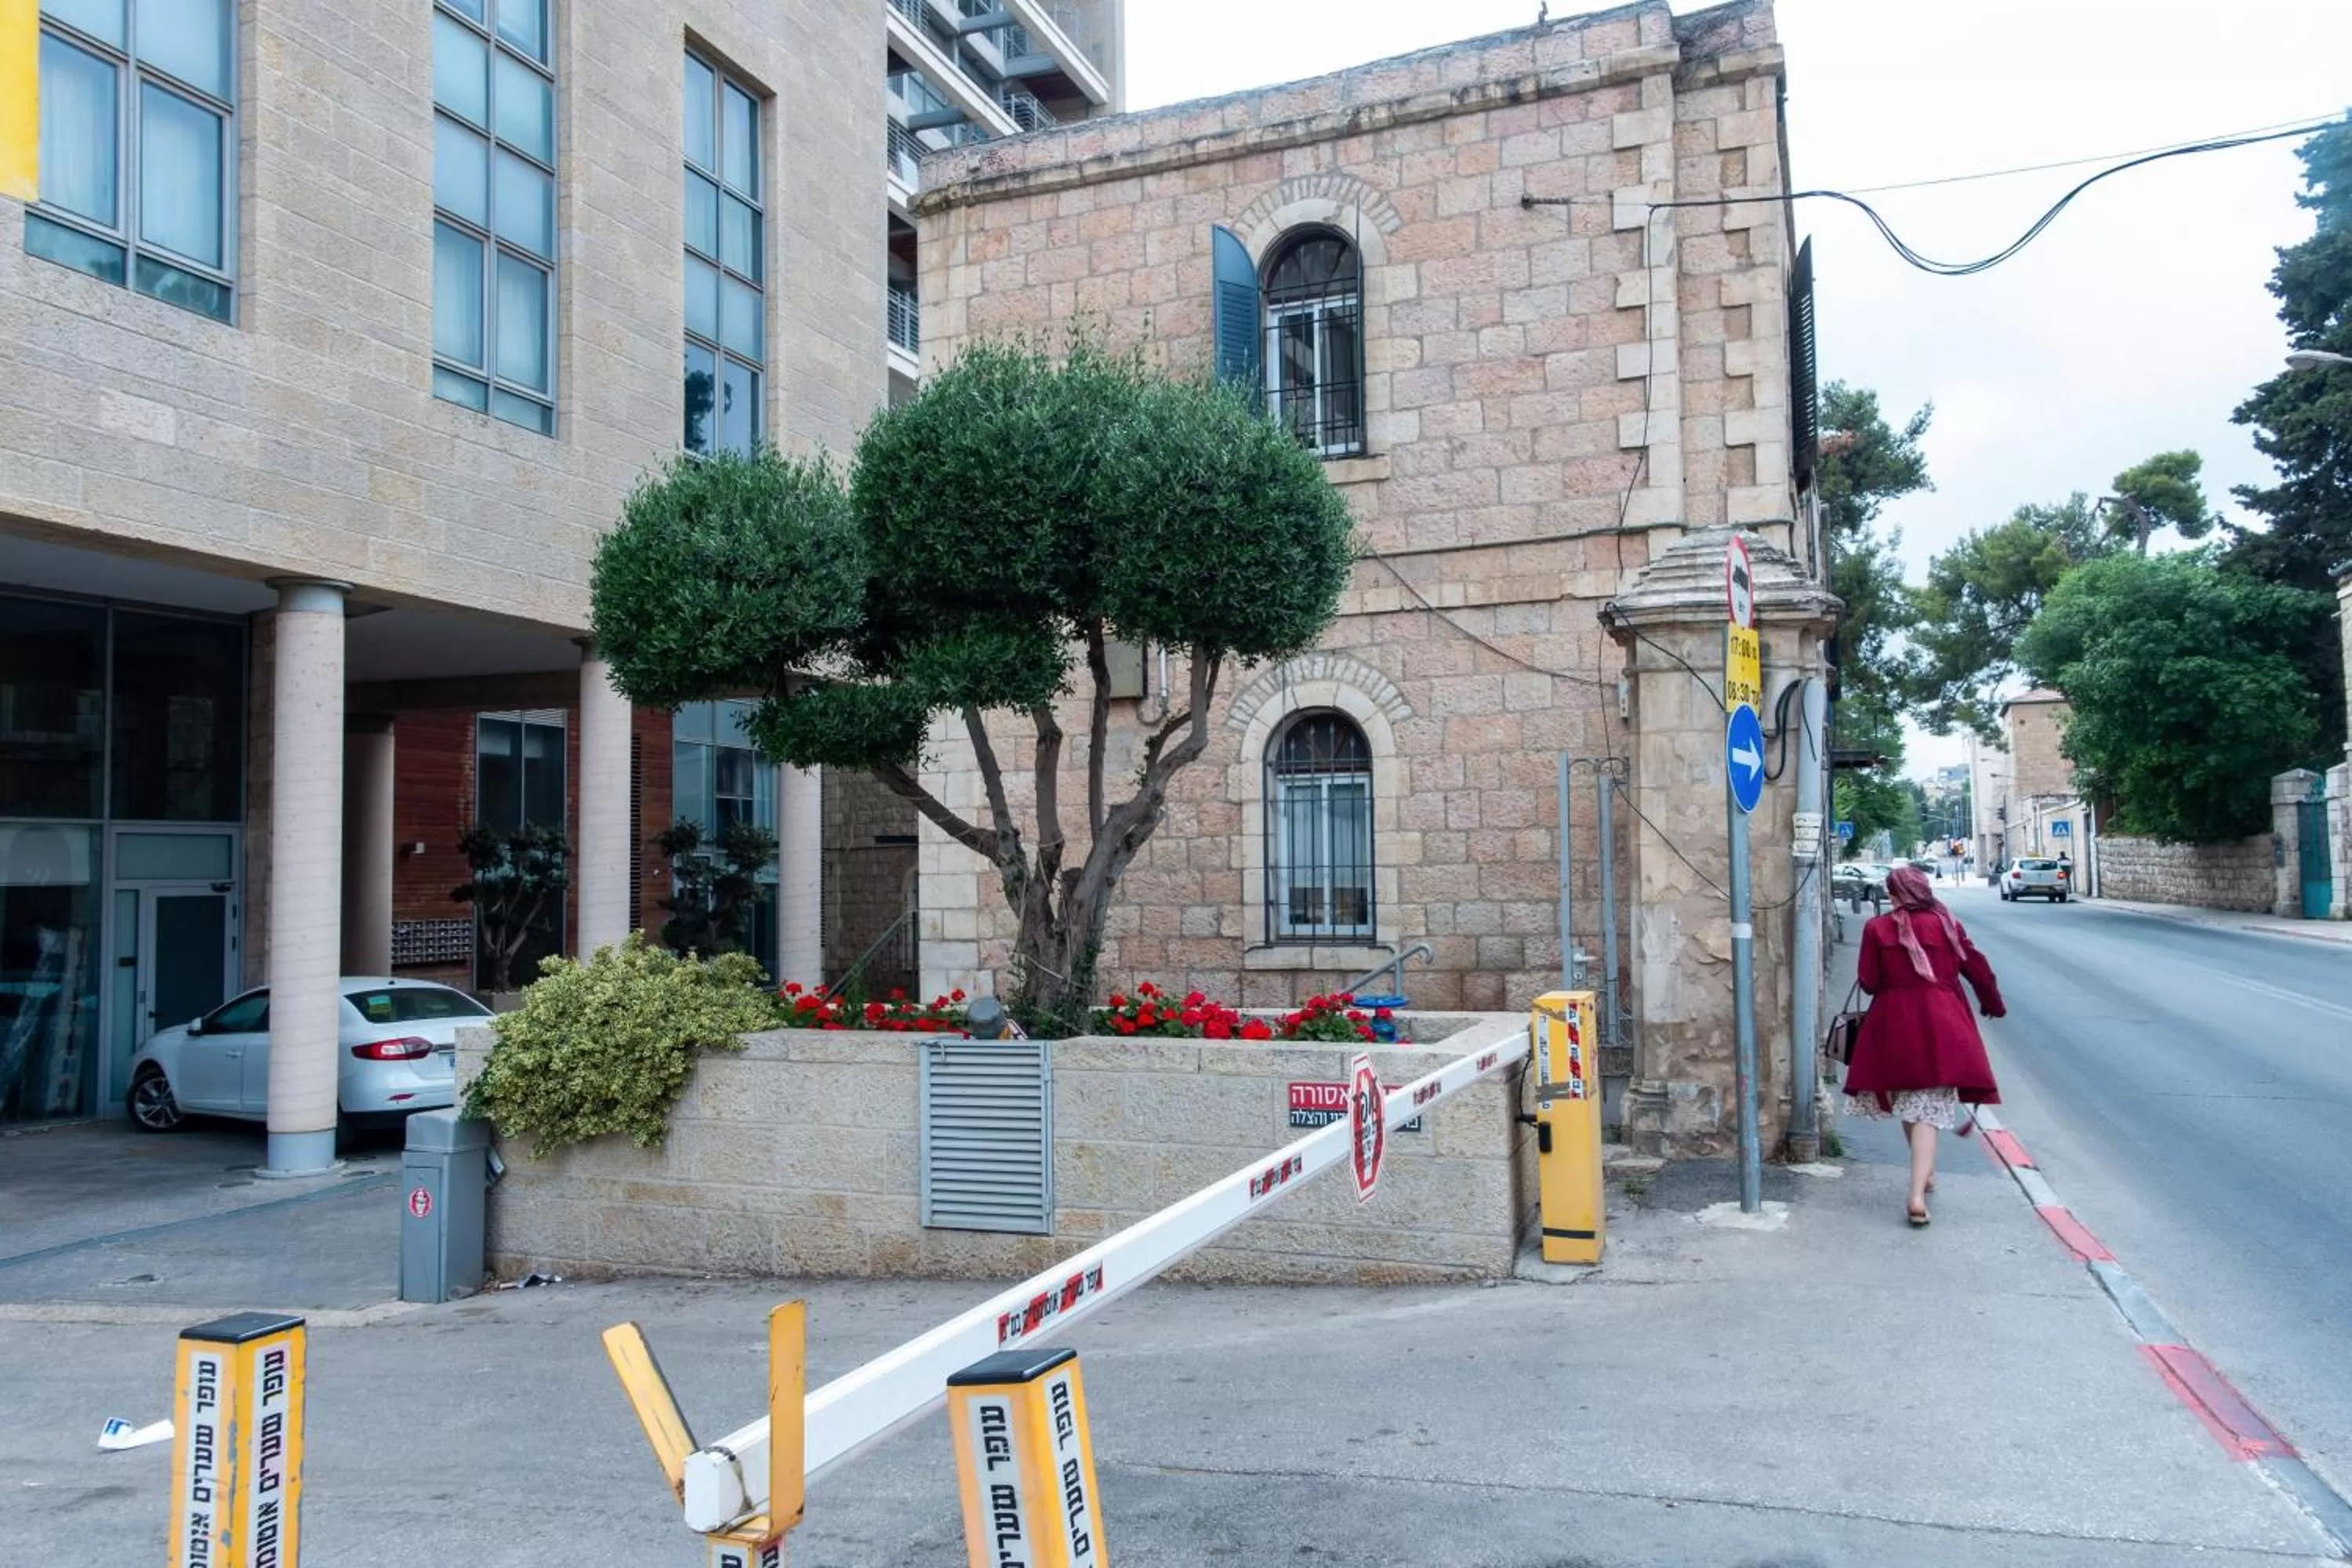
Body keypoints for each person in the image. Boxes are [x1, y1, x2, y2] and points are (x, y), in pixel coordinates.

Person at [1842, 866, 2005, 1227]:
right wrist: (1992, 1002)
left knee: (1909, 1103)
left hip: (1894, 1024)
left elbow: (1869, 983)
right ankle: (1916, 1194)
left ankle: (1924, 1174)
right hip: (1942, 1023)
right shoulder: (1947, 924)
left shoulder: (1877, 928)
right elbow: (1975, 967)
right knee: (1926, 1109)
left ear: (1895, 894)